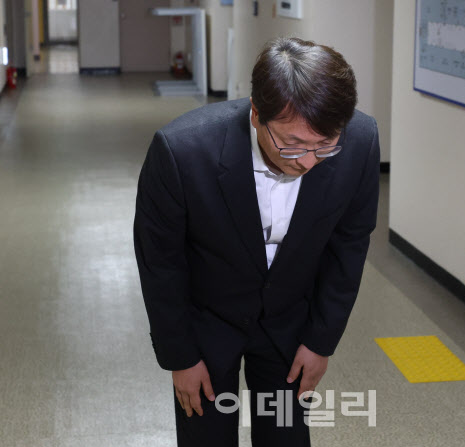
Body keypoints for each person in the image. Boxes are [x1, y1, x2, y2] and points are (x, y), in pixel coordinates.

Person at [133, 37, 380, 447]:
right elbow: (160, 263)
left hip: (290, 323)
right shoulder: (182, 151)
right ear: (255, 114)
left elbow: (349, 246)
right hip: (208, 323)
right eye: (291, 144)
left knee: (286, 436)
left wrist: (320, 340)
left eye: (324, 146)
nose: (307, 161)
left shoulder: (360, 141)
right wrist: (181, 357)